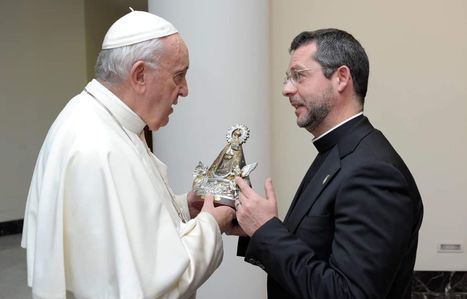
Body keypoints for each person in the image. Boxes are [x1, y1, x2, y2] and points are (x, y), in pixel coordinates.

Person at [21, 10, 235, 299]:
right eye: (179, 76)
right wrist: (211, 224)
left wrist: (185, 207)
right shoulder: (98, 146)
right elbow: (152, 286)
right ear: (139, 76)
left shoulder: (99, 119)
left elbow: (134, 226)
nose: (184, 90)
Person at [234, 29, 424, 298]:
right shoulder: (338, 151)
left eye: (299, 75)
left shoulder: (373, 172)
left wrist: (267, 231)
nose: (286, 89)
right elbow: (315, 250)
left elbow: (347, 294)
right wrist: (254, 227)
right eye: (288, 78)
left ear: (341, 78)